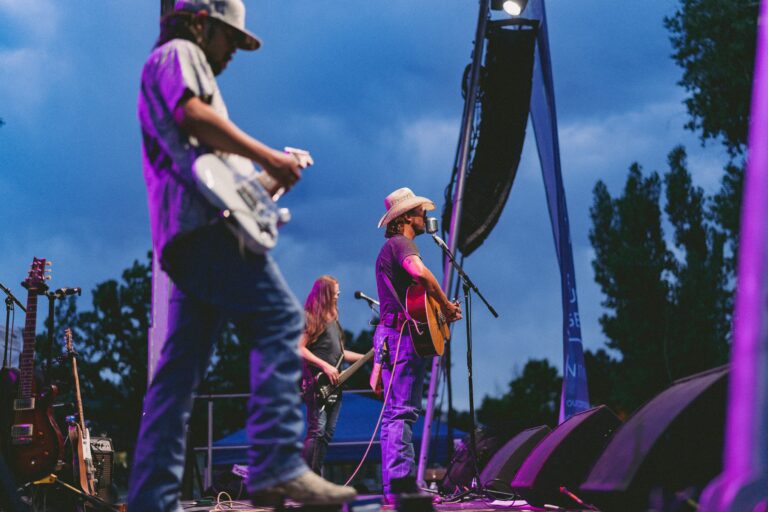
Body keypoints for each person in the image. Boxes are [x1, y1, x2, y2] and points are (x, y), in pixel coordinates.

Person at [129, 1, 356, 508]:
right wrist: (268, 155)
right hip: (207, 235)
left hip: (187, 237)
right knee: (278, 318)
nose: (233, 51)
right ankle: (277, 465)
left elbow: (215, 180)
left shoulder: (176, 63)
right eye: (230, 38)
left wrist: (269, 182)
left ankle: (150, 499)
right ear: (201, 22)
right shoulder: (179, 53)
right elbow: (191, 113)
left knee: (177, 377)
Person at [370, 187, 462, 503]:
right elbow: (419, 273)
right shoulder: (401, 244)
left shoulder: (392, 247)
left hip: (392, 336)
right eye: (420, 212)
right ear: (407, 217)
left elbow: (413, 294)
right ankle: (403, 489)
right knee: (402, 413)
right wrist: (446, 306)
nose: (425, 216)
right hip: (401, 339)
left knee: (396, 415)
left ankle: (396, 489)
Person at [299, 276, 365, 475]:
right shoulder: (311, 318)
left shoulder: (333, 320)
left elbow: (342, 353)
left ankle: (315, 478)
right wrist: (325, 366)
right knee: (317, 432)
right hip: (317, 384)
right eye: (336, 290)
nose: (339, 293)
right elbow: (299, 348)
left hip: (334, 385)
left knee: (326, 434)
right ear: (326, 293)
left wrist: (367, 356)